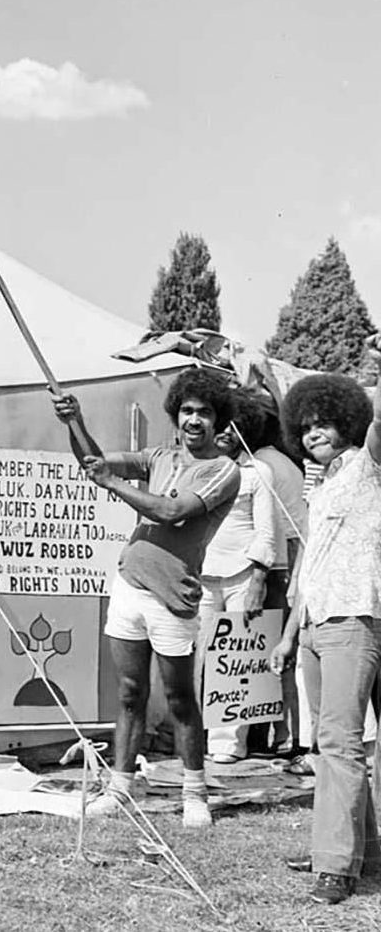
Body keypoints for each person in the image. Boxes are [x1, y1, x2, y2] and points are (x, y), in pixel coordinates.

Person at [53, 368, 239, 828]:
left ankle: (194, 794)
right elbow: (95, 462)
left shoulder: (224, 471)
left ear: (220, 422)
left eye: (205, 412)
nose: (194, 420)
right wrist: (75, 424)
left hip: (173, 598)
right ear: (176, 415)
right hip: (128, 587)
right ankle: (120, 787)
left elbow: (172, 512)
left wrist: (111, 483)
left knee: (179, 699)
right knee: (130, 693)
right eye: (187, 411)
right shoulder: (159, 455)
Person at [270, 332, 381, 905]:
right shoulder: (322, 486)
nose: (313, 432)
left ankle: (335, 863)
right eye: (304, 425)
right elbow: (308, 570)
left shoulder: (367, 467)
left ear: (348, 419)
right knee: (324, 743)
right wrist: (291, 635)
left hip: (355, 619)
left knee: (340, 741)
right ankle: (357, 850)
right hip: (315, 624)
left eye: (323, 421)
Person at [198, 387, 278, 763]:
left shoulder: (258, 471)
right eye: (221, 423)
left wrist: (258, 582)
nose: (227, 432)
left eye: (235, 424)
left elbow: (266, 533)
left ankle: (227, 745)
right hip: (199, 573)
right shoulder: (198, 465)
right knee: (194, 657)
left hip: (243, 572)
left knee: (234, 660)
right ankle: (190, 739)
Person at [249, 393, 307, 758]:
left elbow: (272, 528)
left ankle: (275, 736)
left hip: (280, 566)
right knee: (286, 657)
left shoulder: (259, 465)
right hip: (294, 563)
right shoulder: (285, 462)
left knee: (268, 654)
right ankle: (286, 734)